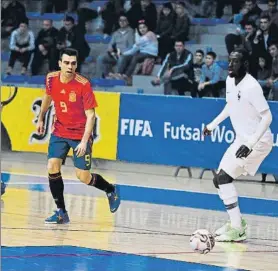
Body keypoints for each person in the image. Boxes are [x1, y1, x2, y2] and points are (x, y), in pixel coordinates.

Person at [37, 48, 121, 224]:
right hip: (59, 130)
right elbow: (47, 97)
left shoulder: (83, 84)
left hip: (79, 134)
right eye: (66, 63)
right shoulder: (51, 79)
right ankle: (61, 212)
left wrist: (84, 141)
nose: (70, 66)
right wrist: (41, 118)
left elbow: (91, 116)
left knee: (83, 177)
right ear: (60, 63)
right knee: (52, 165)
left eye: (73, 63)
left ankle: (110, 189)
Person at [203, 48, 273, 242]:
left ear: (245, 65)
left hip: (257, 142)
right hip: (241, 140)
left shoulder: (252, 86)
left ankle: (238, 230)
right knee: (218, 180)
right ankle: (237, 223)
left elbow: (268, 116)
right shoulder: (229, 81)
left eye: (235, 62)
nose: (230, 65)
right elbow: (230, 105)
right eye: (230, 61)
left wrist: (251, 143)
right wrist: (213, 124)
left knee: (225, 178)